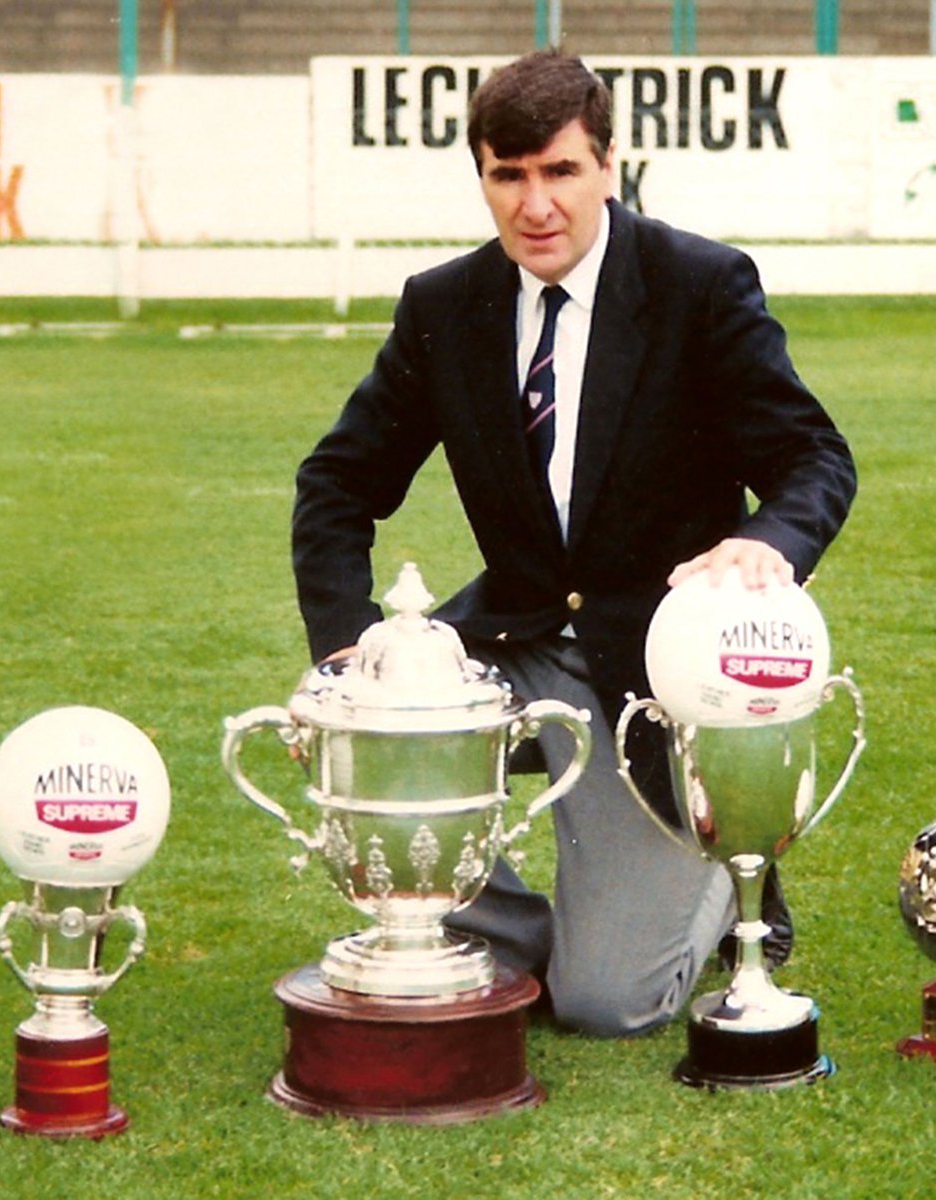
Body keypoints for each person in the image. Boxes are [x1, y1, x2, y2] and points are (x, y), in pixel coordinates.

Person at [292, 50, 856, 1037]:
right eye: (508, 176)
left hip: (651, 670)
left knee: (604, 1004)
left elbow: (815, 459)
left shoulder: (697, 285)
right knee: (358, 732)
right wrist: (345, 650)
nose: (535, 203)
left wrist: (766, 541)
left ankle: (730, 883)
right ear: (484, 178)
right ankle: (501, 932)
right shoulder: (445, 306)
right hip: (512, 639)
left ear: (607, 164)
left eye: (559, 171)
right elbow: (337, 483)